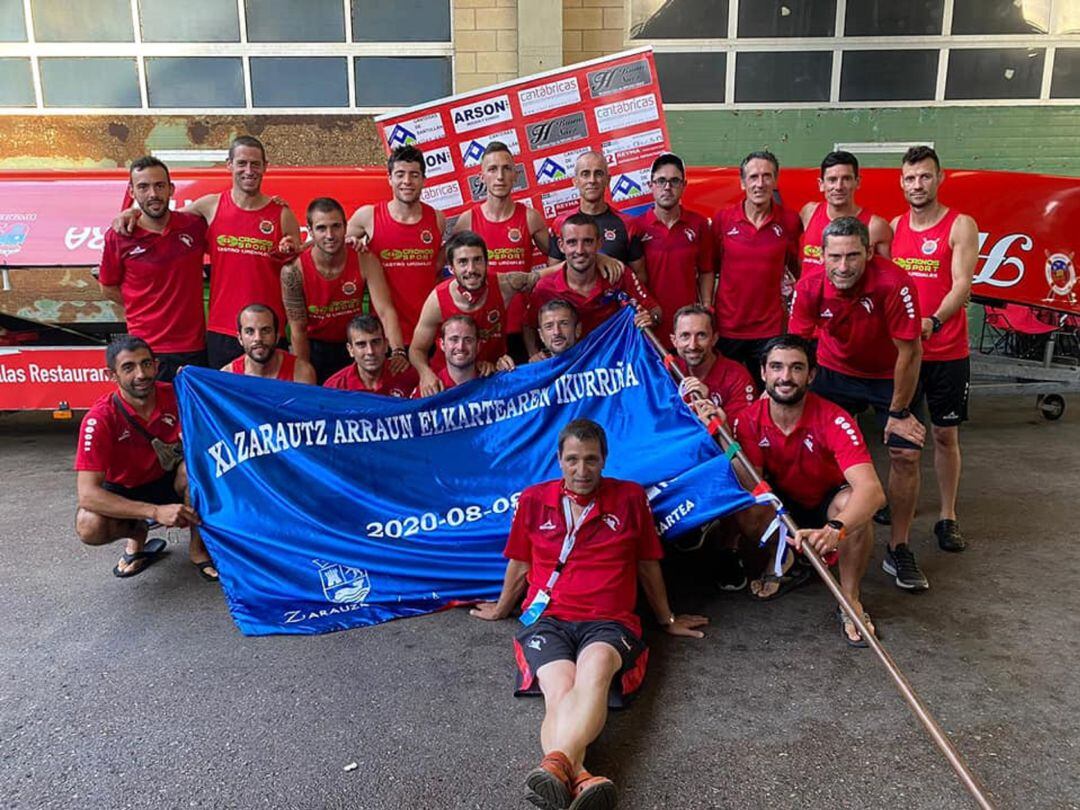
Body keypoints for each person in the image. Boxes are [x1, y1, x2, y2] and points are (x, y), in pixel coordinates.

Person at [470, 419, 707, 809]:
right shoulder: (533, 499)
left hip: (610, 621)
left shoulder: (630, 498)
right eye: (573, 460)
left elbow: (648, 564)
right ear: (559, 460)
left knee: (594, 672)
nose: (582, 471)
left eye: (591, 460)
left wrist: (667, 619)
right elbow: (519, 563)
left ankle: (557, 766)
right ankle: (579, 775)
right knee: (559, 689)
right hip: (549, 619)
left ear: (605, 460)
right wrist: (501, 608)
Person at [788, 216, 929, 591]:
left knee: (906, 453)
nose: (843, 266)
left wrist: (898, 413)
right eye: (835, 257)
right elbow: (795, 348)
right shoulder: (811, 285)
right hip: (835, 372)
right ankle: (820, 531)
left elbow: (910, 352)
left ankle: (898, 547)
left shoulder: (894, 282)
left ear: (868, 253)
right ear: (822, 255)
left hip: (890, 375)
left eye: (853, 256)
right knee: (812, 446)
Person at [728, 336, 886, 645]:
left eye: (796, 368)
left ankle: (849, 597)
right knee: (745, 504)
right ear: (763, 373)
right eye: (776, 367)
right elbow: (751, 486)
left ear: (811, 375)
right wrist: (725, 443)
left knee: (854, 506)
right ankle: (782, 557)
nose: (785, 377)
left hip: (825, 501)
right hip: (780, 500)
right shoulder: (746, 420)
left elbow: (873, 491)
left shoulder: (834, 418)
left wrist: (836, 529)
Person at [113, 135, 302, 369]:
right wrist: (131, 213)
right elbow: (164, 219)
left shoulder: (282, 214)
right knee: (219, 402)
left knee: (265, 402)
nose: (248, 170)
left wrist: (292, 249)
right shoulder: (210, 206)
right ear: (229, 165)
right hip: (221, 331)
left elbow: (298, 271)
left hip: (267, 331)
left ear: (265, 167)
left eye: (255, 164)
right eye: (242, 163)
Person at [890, 145, 979, 553]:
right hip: (905, 355)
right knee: (899, 438)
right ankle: (897, 505)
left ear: (939, 178)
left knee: (944, 434)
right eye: (910, 177)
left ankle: (947, 515)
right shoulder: (894, 227)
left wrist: (934, 322)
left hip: (946, 351)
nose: (918, 184)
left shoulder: (960, 225)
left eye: (925, 176)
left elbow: (962, 284)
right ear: (901, 182)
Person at [74, 336, 216, 581]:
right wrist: (155, 512)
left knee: (198, 469)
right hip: (125, 489)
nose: (141, 374)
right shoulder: (99, 419)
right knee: (88, 524)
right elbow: (87, 494)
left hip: (167, 480)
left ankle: (198, 549)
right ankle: (137, 533)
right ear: (112, 375)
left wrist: (196, 378)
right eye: (128, 367)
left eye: (146, 364)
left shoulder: (177, 394)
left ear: (157, 365)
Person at [98, 156, 208, 382]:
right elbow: (107, 288)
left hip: (194, 347)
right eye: (143, 187)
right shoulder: (119, 237)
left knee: (190, 416)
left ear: (171, 189)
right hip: (146, 350)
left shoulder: (193, 226)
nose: (153, 194)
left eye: (159, 186)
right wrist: (144, 305)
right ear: (131, 192)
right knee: (152, 416)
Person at [279, 197, 407, 383]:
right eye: (322, 228)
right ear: (310, 231)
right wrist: (304, 373)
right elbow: (298, 330)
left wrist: (398, 351)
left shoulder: (364, 259)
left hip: (357, 347)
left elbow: (385, 311)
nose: (330, 235)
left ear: (346, 227)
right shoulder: (293, 271)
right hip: (315, 349)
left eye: (336, 226)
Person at [410, 231, 542, 396]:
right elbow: (416, 349)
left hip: (492, 376)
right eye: (463, 262)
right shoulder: (437, 300)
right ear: (451, 268)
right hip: (446, 385)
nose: (471, 269)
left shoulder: (504, 285)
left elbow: (541, 277)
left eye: (477, 260)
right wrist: (425, 373)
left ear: (487, 263)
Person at [453, 141, 550, 358]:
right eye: (493, 169)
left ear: (515, 175)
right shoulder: (468, 220)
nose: (500, 176)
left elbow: (560, 260)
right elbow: (446, 269)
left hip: (524, 331)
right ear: (482, 177)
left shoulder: (530, 218)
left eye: (506, 169)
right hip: (481, 330)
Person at [710, 150, 802, 376]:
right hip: (727, 327)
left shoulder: (790, 221)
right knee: (725, 392)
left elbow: (797, 269)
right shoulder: (723, 219)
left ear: (775, 180)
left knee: (767, 396)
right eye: (753, 177)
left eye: (767, 176)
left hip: (769, 329)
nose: (760, 183)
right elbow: (711, 268)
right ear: (742, 183)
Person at [346, 145, 445, 346]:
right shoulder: (368, 216)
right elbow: (330, 243)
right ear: (389, 178)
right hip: (384, 337)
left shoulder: (437, 219)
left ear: (423, 180)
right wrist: (349, 243)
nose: (407, 181)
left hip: (428, 335)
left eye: (414, 175)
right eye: (400, 174)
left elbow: (436, 268)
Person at [526, 214, 660, 356]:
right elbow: (529, 325)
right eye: (572, 242)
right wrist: (533, 354)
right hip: (572, 369)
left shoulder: (619, 275)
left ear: (599, 243)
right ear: (561, 246)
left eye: (588, 242)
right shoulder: (545, 288)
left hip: (617, 363)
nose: (580, 250)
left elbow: (655, 311)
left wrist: (650, 319)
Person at [633, 153, 714, 344]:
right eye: (661, 181)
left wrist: (707, 307)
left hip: (688, 330)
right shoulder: (636, 227)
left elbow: (706, 270)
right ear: (650, 185)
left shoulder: (699, 224)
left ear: (684, 185)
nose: (667, 187)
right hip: (649, 328)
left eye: (674, 181)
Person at [547, 151, 645, 276]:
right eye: (585, 174)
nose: (592, 180)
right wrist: (597, 258)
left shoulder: (628, 225)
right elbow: (552, 278)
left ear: (607, 180)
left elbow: (639, 279)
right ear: (575, 181)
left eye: (598, 174)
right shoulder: (560, 224)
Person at [799, 151, 893, 275]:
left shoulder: (875, 226)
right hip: (808, 294)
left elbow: (888, 276)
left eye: (846, 179)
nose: (839, 186)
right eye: (832, 180)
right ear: (821, 184)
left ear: (857, 182)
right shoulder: (809, 212)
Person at [670, 304, 756, 424]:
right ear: (674, 341)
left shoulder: (737, 377)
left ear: (714, 339)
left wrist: (707, 402)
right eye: (685, 336)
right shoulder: (668, 370)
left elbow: (740, 433)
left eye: (701, 335)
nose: (693, 345)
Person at [323, 314, 419, 396]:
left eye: (375, 342)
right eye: (361, 344)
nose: (370, 351)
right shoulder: (334, 387)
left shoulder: (410, 377)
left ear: (386, 345)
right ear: (350, 349)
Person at [222, 304, 316, 384]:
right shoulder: (227, 375)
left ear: (277, 336)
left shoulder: (302, 373)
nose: (258, 338)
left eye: (266, 331)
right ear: (240, 338)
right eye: (250, 332)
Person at [412, 315, 482, 396]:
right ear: (442, 344)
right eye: (454, 339)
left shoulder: (493, 385)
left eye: (468, 340)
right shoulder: (429, 389)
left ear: (478, 345)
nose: (460, 347)